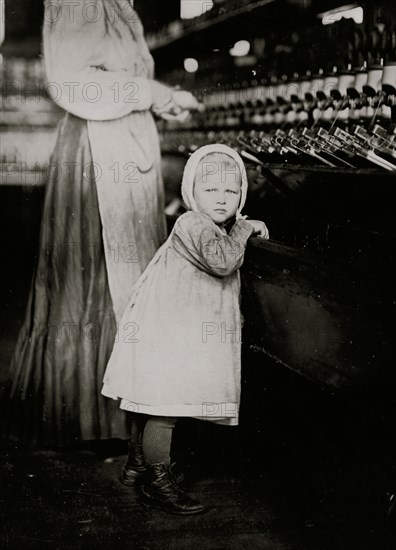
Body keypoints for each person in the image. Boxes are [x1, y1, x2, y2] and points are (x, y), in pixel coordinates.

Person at [1, 0, 199, 446]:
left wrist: (161, 99)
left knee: (122, 280)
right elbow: (74, 82)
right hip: (101, 153)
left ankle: (120, 422)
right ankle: (93, 421)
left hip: (119, 145)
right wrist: (155, 93)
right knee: (102, 279)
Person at [101, 144, 269, 515]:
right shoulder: (193, 222)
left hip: (171, 326)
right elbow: (222, 261)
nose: (222, 199)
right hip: (171, 331)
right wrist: (243, 228)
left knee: (153, 398)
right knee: (166, 405)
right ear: (193, 193)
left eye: (231, 190)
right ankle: (158, 482)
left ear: (242, 192)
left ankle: (137, 465)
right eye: (211, 191)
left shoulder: (208, 224)